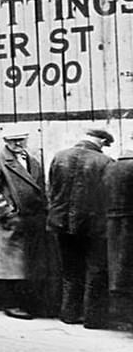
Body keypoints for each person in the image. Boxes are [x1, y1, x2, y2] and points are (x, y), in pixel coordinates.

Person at [0, 126, 49, 320]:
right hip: (11, 221)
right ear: (6, 142)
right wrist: (8, 212)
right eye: (13, 141)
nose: (18, 144)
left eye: (21, 140)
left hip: (32, 219)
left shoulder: (32, 161)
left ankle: (27, 303)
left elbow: (40, 189)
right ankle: (12, 304)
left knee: (28, 264)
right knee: (13, 266)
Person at [47, 128, 114, 326]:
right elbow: (106, 195)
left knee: (70, 270)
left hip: (61, 223)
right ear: (100, 141)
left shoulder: (59, 157)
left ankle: (69, 314)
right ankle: (94, 319)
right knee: (96, 270)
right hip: (93, 226)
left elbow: (52, 189)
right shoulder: (105, 162)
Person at [104, 144, 133, 331]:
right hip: (130, 222)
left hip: (112, 223)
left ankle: (120, 317)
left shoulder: (110, 167)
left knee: (117, 271)